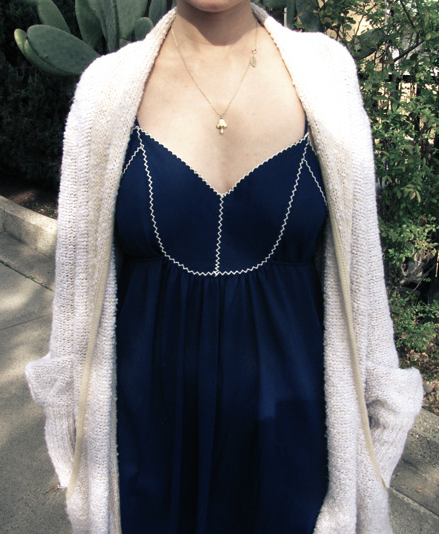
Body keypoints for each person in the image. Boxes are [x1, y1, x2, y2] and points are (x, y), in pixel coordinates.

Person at [25, 1, 423, 533]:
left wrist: (378, 437)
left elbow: (364, 286)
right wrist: (73, 447)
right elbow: (76, 304)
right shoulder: (105, 90)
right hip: (144, 451)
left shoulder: (328, 76)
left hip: (292, 446)